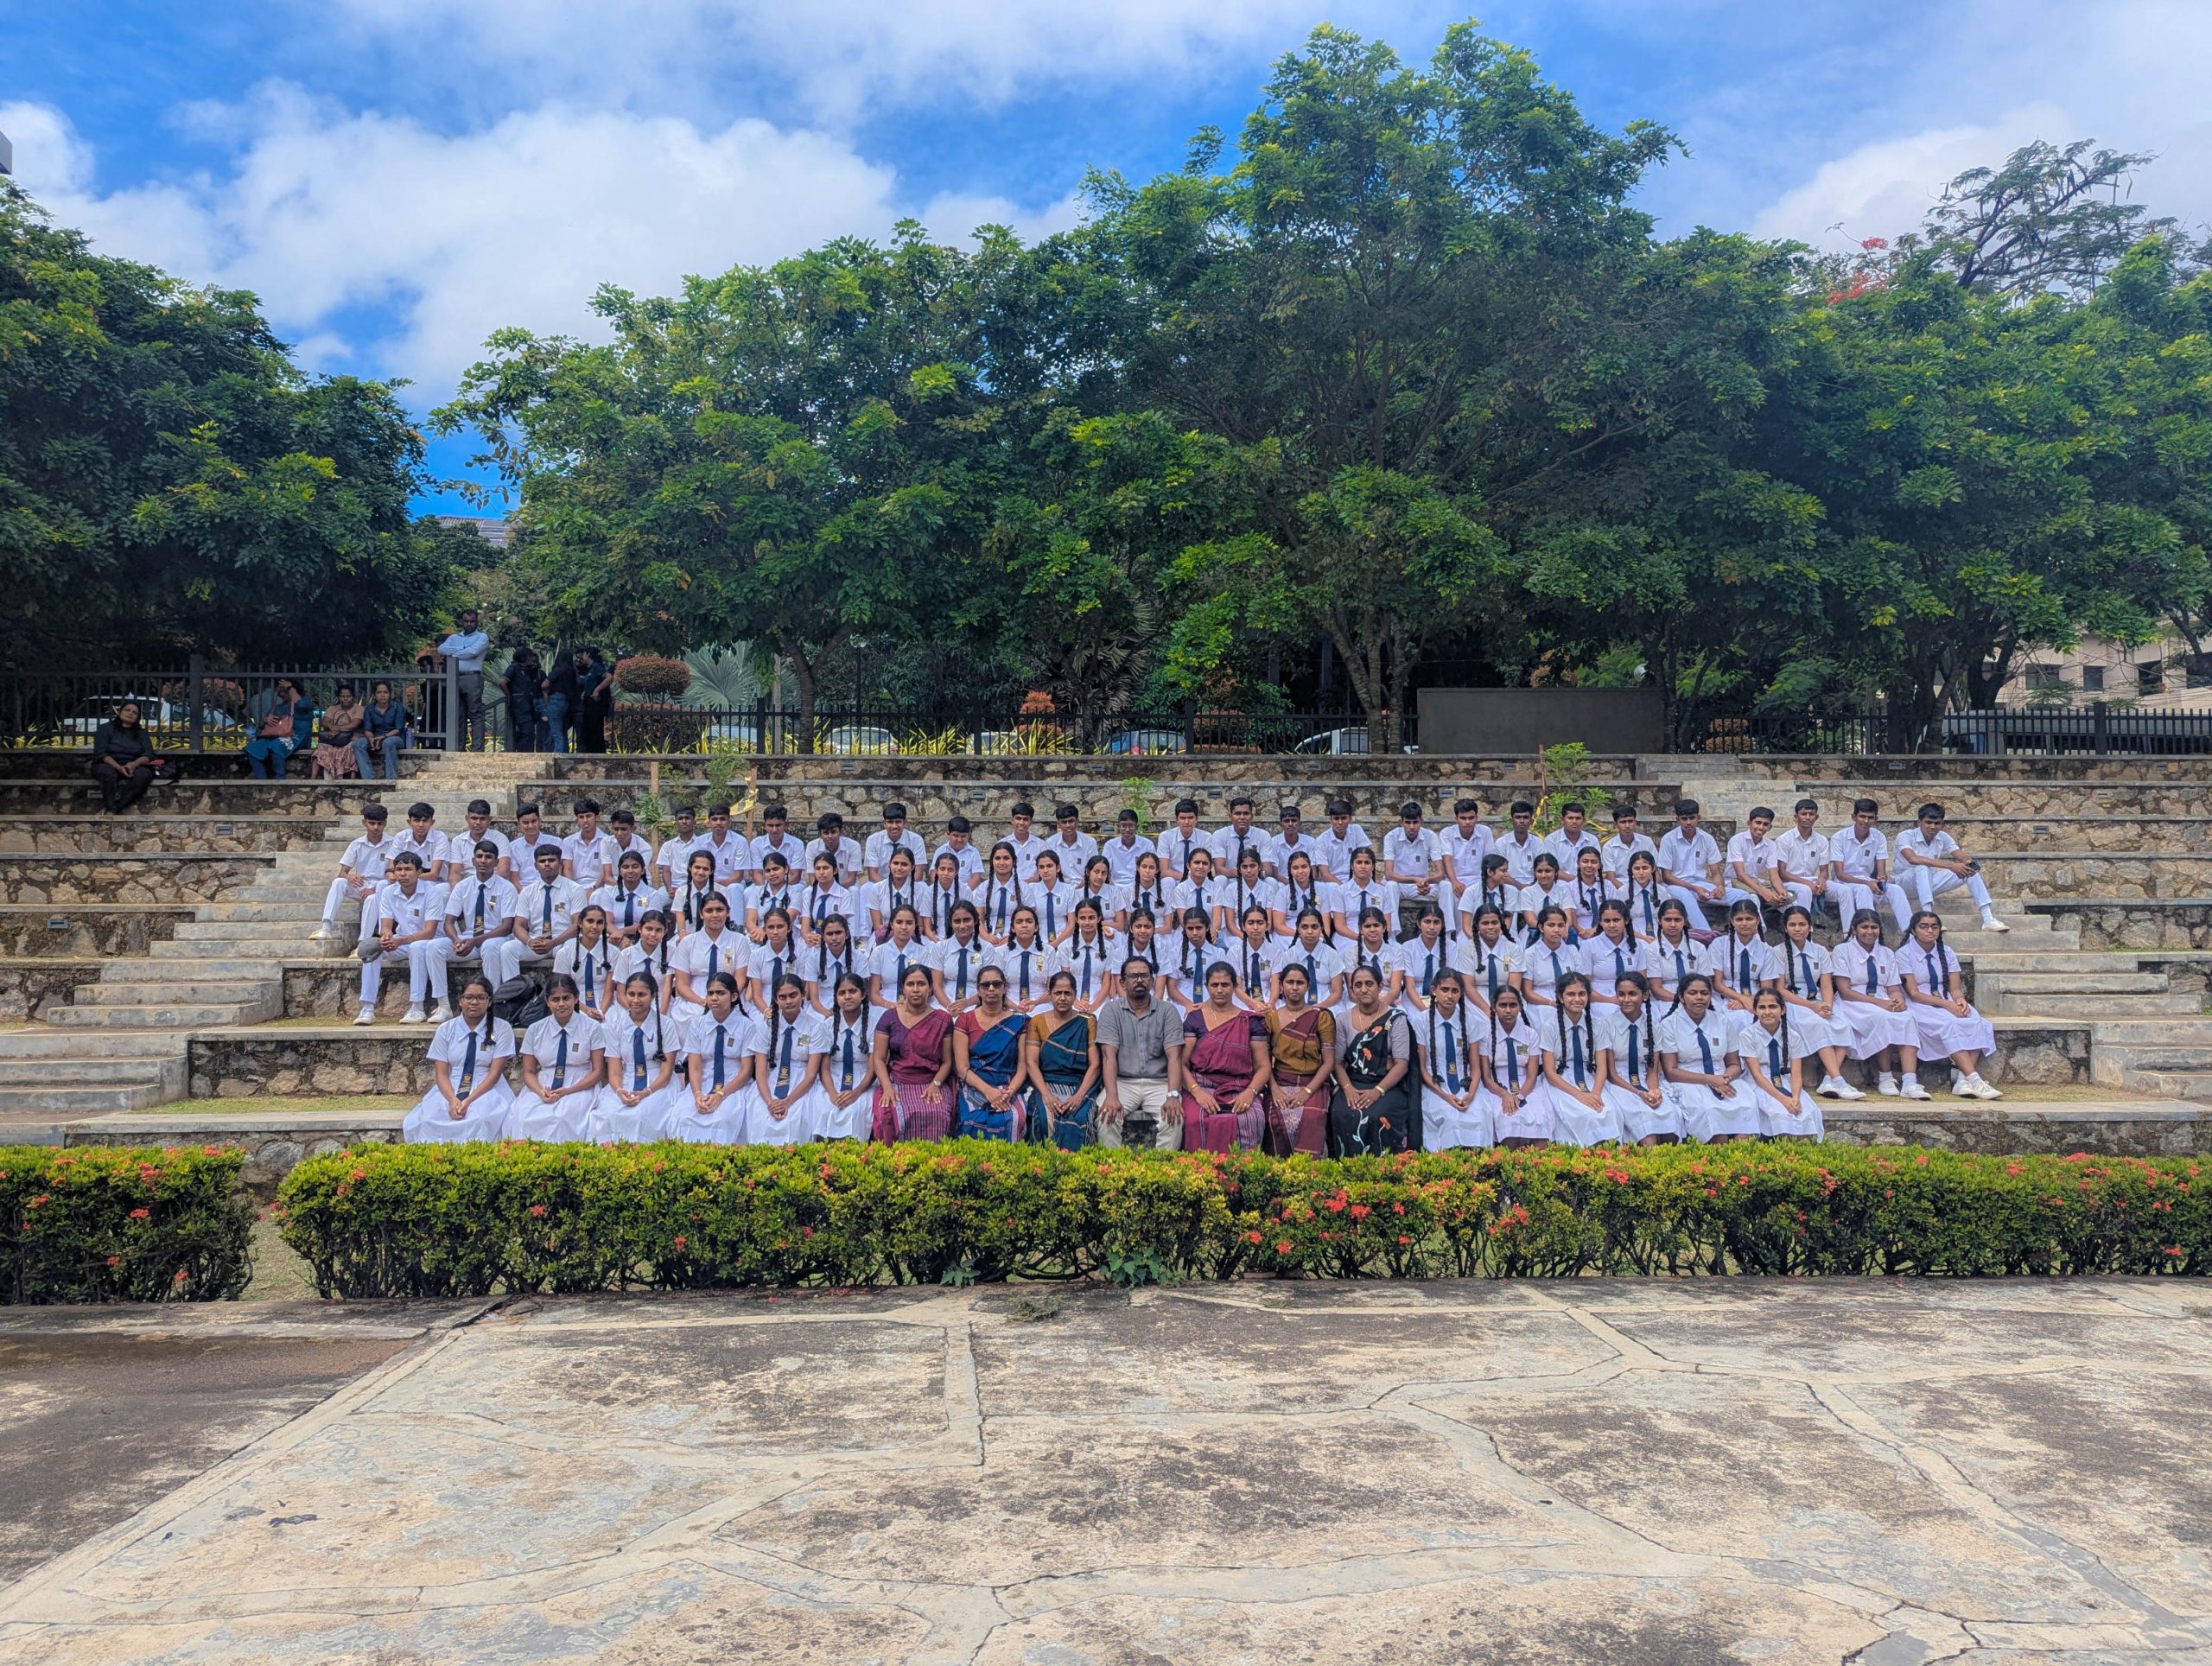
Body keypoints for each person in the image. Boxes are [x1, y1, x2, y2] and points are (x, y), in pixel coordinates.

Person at [1899, 909, 2005, 1099]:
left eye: (1934, 927)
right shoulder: (1904, 954)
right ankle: (1975, 1080)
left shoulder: (1947, 952)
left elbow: (1955, 988)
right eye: (1924, 927)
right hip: (1921, 1003)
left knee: (1977, 1022)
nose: (1930, 931)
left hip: (1944, 997)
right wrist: (1947, 1005)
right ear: (1914, 930)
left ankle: (1962, 1080)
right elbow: (1914, 993)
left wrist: (1959, 1001)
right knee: (1950, 1024)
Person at [401, 976, 516, 1142]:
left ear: (489, 1001)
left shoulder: (502, 1028)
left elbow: (495, 1074)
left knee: (482, 1118)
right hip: (451, 1085)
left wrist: (469, 1100)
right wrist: (452, 1100)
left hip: (487, 1086)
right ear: (460, 1001)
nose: (474, 1002)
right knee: (428, 1118)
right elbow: (441, 1074)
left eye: (481, 997)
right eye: (469, 997)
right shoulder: (446, 1030)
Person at [1096, 957, 1185, 1149]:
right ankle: (1112, 1166)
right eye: (1133, 976)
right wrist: (1112, 1095)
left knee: (1173, 1118)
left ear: (1151, 981)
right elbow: (1108, 1056)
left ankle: (1162, 1166)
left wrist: (1173, 1094)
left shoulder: (1167, 1011)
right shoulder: (1111, 1011)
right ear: (1122, 982)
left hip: (1159, 1082)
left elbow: (1174, 1057)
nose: (1139, 980)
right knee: (1106, 1115)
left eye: (1144, 976)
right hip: (1123, 1082)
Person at [1182, 963, 1270, 1152]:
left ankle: (1243, 1169)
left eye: (1225, 985)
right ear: (1207, 986)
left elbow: (1263, 1066)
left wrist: (1250, 1093)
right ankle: (1199, 1169)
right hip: (1201, 1085)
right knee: (1194, 1119)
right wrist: (1197, 1092)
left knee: (1251, 1118)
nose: (1220, 990)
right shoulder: (1195, 1019)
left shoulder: (1250, 1021)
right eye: (1214, 985)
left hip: (1240, 1087)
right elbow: (1181, 1063)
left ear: (1234, 987)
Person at [1662, 973, 1758, 1142]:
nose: (1699, 997)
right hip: (1689, 1081)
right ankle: (1719, 1155)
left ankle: (1743, 1157)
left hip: (1723, 1078)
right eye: (1692, 993)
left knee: (1746, 1106)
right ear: (1681, 997)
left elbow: (1734, 1063)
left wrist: (1724, 1079)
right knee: (1711, 1111)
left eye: (1704, 993)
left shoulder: (1723, 1021)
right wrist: (1710, 1080)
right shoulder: (1669, 1025)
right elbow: (1671, 1072)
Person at [358, 851, 451, 1026]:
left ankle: (417, 1008)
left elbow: (429, 932)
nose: (402, 874)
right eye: (398, 869)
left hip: (431, 942)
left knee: (417, 947)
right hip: (403, 941)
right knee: (371, 949)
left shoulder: (432, 892)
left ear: (419, 872)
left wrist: (399, 941)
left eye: (408, 869)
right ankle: (367, 1008)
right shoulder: (388, 892)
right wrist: (386, 937)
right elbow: (386, 924)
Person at [592, 970, 686, 1141]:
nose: (636, 1000)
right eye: (631, 994)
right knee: (609, 1114)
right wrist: (620, 1091)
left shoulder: (666, 1025)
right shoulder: (616, 1026)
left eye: (642, 995)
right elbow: (614, 1070)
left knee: (643, 1114)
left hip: (658, 1085)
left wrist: (646, 1093)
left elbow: (666, 1073)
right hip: (626, 1082)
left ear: (653, 995)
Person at [510, 974, 606, 1140]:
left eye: (566, 998)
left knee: (564, 1118)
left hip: (580, 1084)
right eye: (555, 999)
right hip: (544, 1083)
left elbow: (598, 1072)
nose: (561, 1004)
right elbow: (529, 1072)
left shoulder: (592, 1028)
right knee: (522, 1115)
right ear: (547, 1002)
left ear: (576, 998)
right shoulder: (535, 1029)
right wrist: (540, 1092)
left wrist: (568, 1090)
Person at [1891, 803, 2011, 935]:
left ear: (1942, 824)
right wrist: (1950, 865)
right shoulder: (1905, 836)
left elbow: (1960, 856)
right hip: (1903, 884)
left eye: (1937, 823)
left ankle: (1988, 919)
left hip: (1928, 883)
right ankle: (1928, 918)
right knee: (1922, 867)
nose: (1932, 826)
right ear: (1919, 822)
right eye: (1928, 822)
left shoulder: (1943, 837)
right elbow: (1912, 859)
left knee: (1970, 871)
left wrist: (1968, 862)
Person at [1329, 963, 1412, 1154]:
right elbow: (1337, 1063)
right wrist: (1348, 1089)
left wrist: (1377, 1091)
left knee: (1377, 1115)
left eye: (1369, 984)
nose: (1364, 989)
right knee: (1342, 1112)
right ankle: (1347, 1168)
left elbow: (1401, 1064)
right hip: (1353, 1082)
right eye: (1358, 985)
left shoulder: (1396, 1018)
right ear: (1352, 990)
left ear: (1380, 986)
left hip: (1387, 1085)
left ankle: (1385, 1168)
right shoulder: (1342, 1019)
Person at [873, 963, 956, 1141]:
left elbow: (947, 1061)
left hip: (931, 1081)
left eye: (921, 984)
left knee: (938, 1112)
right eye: (910, 984)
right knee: (888, 1113)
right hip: (898, 1081)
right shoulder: (889, 1017)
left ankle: (934, 1159)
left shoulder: (943, 1019)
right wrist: (887, 1087)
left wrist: (936, 1084)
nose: (916, 989)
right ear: (903, 989)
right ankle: (894, 1158)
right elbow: (878, 1059)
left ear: (931, 988)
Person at [1597, 973, 1681, 1146]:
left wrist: (1654, 1090)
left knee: (1670, 1118)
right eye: (1621, 994)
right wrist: (1639, 1093)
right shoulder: (1606, 1025)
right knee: (1647, 1126)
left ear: (1645, 995)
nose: (1626, 999)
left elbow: (1652, 1070)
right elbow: (1611, 1074)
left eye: (1632, 994)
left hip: (1644, 1081)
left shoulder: (1654, 1026)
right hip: (1619, 1085)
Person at [1023, 972, 1102, 1148]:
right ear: (1050, 994)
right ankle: (1042, 1164)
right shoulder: (1037, 1021)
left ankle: (1078, 1164)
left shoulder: (1087, 1021)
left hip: (1078, 1085)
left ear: (1075, 995)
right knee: (1043, 1118)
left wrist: (1079, 1097)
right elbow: (1031, 1063)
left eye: (1068, 993)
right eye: (1058, 993)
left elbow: (1095, 1064)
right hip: (1046, 1084)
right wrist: (1046, 1095)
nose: (1063, 998)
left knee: (1081, 1119)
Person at [1265, 962, 1336, 1154]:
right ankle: (1278, 1169)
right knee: (1272, 1119)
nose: (1295, 987)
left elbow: (1329, 1062)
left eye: (1300, 983)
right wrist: (1275, 1090)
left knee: (1312, 1117)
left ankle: (1310, 1169)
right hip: (1280, 1081)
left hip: (1313, 1082)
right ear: (1281, 985)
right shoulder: (1272, 1018)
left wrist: (1307, 1091)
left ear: (1308, 986)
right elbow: (1264, 1062)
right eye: (1290, 982)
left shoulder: (1321, 1017)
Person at [1737, 988, 1827, 1140]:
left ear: (1783, 1010)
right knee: (1779, 1112)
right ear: (1755, 1011)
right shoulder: (1747, 1035)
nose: (1767, 1012)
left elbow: (1796, 1075)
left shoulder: (1793, 1037)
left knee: (1806, 1112)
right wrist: (1784, 1100)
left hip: (1785, 1080)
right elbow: (1757, 1076)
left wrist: (1795, 1097)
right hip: (1759, 1084)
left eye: (1773, 1007)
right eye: (1762, 1007)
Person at [954, 969, 1031, 1140]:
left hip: (1008, 1087)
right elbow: (962, 1068)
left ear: (1004, 988)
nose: (991, 989)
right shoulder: (965, 1020)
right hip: (974, 1085)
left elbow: (1022, 1067)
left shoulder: (1020, 1022)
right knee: (971, 1120)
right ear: (978, 990)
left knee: (1015, 1119)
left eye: (996, 984)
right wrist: (988, 1091)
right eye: (985, 985)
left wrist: (1009, 1093)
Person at [747, 976, 824, 1145]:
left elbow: (811, 1074)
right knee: (760, 1114)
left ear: (803, 994)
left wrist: (787, 1102)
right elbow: (760, 1074)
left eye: (793, 995)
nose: (788, 1001)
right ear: (776, 999)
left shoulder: (815, 1027)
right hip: (771, 1080)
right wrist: (770, 1102)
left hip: (802, 1083)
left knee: (797, 1117)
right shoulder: (766, 1026)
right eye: (782, 997)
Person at [679, 972, 754, 1143]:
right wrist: (698, 1094)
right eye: (710, 993)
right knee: (683, 1116)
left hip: (734, 1084)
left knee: (723, 1118)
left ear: (734, 996)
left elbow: (746, 1071)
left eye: (720, 993)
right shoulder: (697, 1024)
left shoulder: (746, 1026)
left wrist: (721, 1095)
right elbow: (695, 1066)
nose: (714, 998)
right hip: (703, 1081)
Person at [446, 838, 524, 993]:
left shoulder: (507, 888)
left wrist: (475, 941)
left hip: (497, 937)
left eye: (488, 857)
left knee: (489, 947)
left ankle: (493, 997)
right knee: (433, 948)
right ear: (473, 861)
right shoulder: (462, 886)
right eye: (479, 856)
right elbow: (449, 921)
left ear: (496, 862)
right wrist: (456, 941)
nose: (483, 861)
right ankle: (441, 1002)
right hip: (469, 938)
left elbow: (507, 927)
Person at [1476, 984, 1549, 1146]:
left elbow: (1532, 1076)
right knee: (1508, 1120)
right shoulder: (1485, 1035)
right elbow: (1486, 1078)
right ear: (1493, 1007)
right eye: (1503, 1005)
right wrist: (1504, 1094)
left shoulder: (1531, 1034)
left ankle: (1536, 1161)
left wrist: (1519, 1096)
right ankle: (1510, 1161)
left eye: (1513, 1005)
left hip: (1527, 1086)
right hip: (1496, 1086)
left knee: (1540, 1118)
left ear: (1520, 1007)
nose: (1508, 1010)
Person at [816, 974, 880, 1140]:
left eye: (852, 991)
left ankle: (854, 1153)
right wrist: (832, 1093)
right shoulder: (827, 1026)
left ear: (863, 994)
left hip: (863, 1080)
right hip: (834, 1078)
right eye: (842, 993)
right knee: (823, 1107)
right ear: (836, 997)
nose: (847, 997)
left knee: (857, 1109)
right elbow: (824, 1069)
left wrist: (855, 1093)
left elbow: (872, 1070)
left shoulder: (874, 1025)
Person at [315, 804, 391, 944]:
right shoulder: (357, 844)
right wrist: (349, 877)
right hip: (362, 885)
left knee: (372, 898)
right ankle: (326, 927)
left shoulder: (392, 843)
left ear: (385, 824)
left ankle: (363, 942)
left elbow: (395, 876)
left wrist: (374, 890)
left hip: (383, 887)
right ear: (364, 823)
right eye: (372, 823)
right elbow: (342, 873)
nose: (376, 828)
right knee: (339, 882)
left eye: (380, 824)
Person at [89, 701, 163, 814]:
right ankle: (110, 807)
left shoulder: (141, 733)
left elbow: (149, 754)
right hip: (109, 764)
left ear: (138, 717)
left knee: (144, 775)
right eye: (127, 710)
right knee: (107, 773)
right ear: (120, 712)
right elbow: (101, 753)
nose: (130, 713)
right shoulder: (105, 729)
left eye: (135, 712)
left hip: (133, 765)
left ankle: (117, 806)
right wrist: (119, 768)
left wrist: (134, 764)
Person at [437, 608, 491, 752]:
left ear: (477, 622)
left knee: (475, 713)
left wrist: (453, 654)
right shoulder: (454, 638)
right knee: (457, 715)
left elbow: (473, 652)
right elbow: (441, 649)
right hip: (454, 677)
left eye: (472, 621)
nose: (469, 624)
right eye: (466, 621)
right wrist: (463, 648)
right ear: (461, 622)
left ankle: (477, 749)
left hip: (472, 677)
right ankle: (458, 749)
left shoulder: (482, 637)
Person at [245, 677, 312, 779]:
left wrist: (290, 688)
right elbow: (261, 726)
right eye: (280, 691)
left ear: (294, 689)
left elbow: (301, 704)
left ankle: (280, 779)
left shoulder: (305, 702)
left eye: (285, 691)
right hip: (277, 736)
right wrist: (265, 719)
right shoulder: (279, 707)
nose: (282, 694)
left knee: (276, 746)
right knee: (252, 749)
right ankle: (261, 780)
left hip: (298, 736)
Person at [356, 680, 408, 780]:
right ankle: (368, 778)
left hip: (395, 738)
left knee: (388, 742)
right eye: (379, 692)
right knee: (358, 744)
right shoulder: (369, 708)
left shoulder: (397, 707)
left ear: (389, 694)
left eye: (385, 692)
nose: (382, 695)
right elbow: (367, 729)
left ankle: (391, 778)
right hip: (376, 737)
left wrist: (383, 737)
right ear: (374, 695)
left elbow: (398, 729)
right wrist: (371, 739)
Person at [310, 685, 365, 779]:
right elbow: (324, 722)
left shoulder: (359, 709)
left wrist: (337, 729)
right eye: (342, 696)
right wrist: (332, 728)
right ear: (339, 697)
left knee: (349, 748)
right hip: (333, 738)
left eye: (348, 696)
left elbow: (355, 724)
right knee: (321, 748)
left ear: (353, 697)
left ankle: (351, 778)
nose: (345, 699)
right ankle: (313, 777)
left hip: (351, 737)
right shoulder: (333, 709)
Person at [500, 647, 544, 753]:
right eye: (530, 656)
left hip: (527, 704)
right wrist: (509, 695)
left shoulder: (527, 670)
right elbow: (502, 682)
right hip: (520, 704)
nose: (532, 659)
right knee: (527, 732)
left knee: (528, 732)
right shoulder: (514, 667)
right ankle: (524, 754)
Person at [574, 646, 613, 754]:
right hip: (588, 703)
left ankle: (597, 752)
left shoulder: (597, 667)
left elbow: (609, 678)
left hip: (595, 705)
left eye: (584, 654)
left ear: (589, 655)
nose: (582, 657)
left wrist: (597, 690)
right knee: (588, 730)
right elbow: (591, 682)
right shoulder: (590, 669)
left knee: (595, 730)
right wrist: (585, 692)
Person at [541, 649, 579, 754]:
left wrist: (548, 691)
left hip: (556, 701)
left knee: (556, 733)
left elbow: (544, 685)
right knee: (563, 732)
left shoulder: (558, 670)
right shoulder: (572, 672)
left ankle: (558, 755)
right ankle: (565, 754)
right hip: (567, 702)